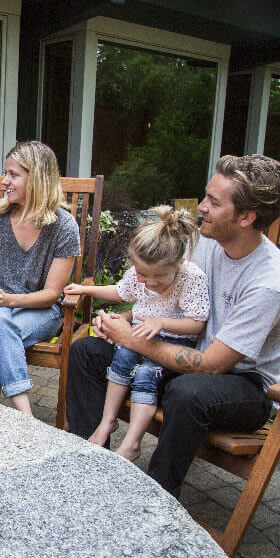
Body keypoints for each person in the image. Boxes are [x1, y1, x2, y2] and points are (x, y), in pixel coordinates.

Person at [66, 154, 280, 498]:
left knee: (188, 393)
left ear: (246, 217)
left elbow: (212, 366)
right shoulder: (202, 242)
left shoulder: (267, 282)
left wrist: (132, 340)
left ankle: (156, 498)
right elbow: (163, 294)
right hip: (183, 357)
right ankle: (93, 467)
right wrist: (126, 320)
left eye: (213, 201)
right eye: (205, 196)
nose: (201, 207)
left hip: (244, 386)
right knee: (88, 351)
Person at [64, 206, 209, 461]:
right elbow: (120, 292)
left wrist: (162, 323)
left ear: (180, 264)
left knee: (145, 374)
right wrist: (87, 290)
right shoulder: (138, 274)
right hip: (140, 334)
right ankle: (107, 422)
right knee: (121, 359)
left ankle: (132, 442)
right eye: (142, 274)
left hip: (172, 345)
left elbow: (197, 322)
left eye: (159, 278)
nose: (150, 283)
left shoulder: (191, 277)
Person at [0, 141, 80, 415]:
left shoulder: (63, 226)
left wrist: (8, 299)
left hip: (39, 310)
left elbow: (53, 293)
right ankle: (24, 416)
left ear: (38, 178)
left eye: (13, 174)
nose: (4, 181)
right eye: (6, 173)